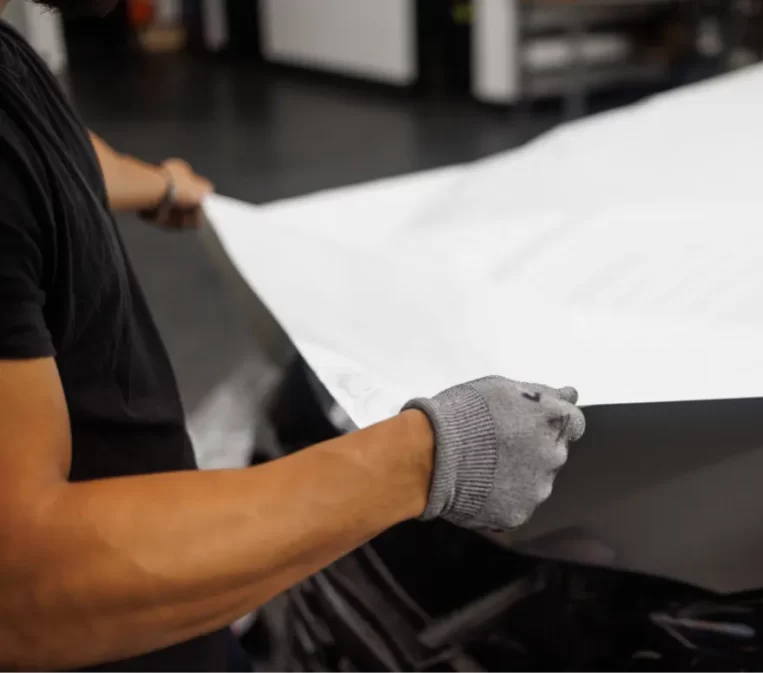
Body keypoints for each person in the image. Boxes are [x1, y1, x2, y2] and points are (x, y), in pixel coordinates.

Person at [0, 1, 586, 670]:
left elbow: (38, 150)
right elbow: (19, 586)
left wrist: (159, 185)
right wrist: (429, 457)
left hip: (173, 625)